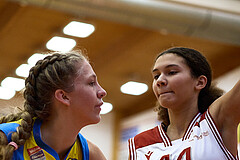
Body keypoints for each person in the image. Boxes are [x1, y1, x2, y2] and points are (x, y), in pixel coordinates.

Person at [128, 47, 240, 160]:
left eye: (171, 72)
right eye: (156, 76)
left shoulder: (216, 120)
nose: (160, 81)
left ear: (200, 82)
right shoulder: (140, 144)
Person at [0, 50, 107, 160]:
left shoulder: (91, 154)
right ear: (63, 96)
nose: (102, 92)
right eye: (91, 83)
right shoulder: (5, 138)